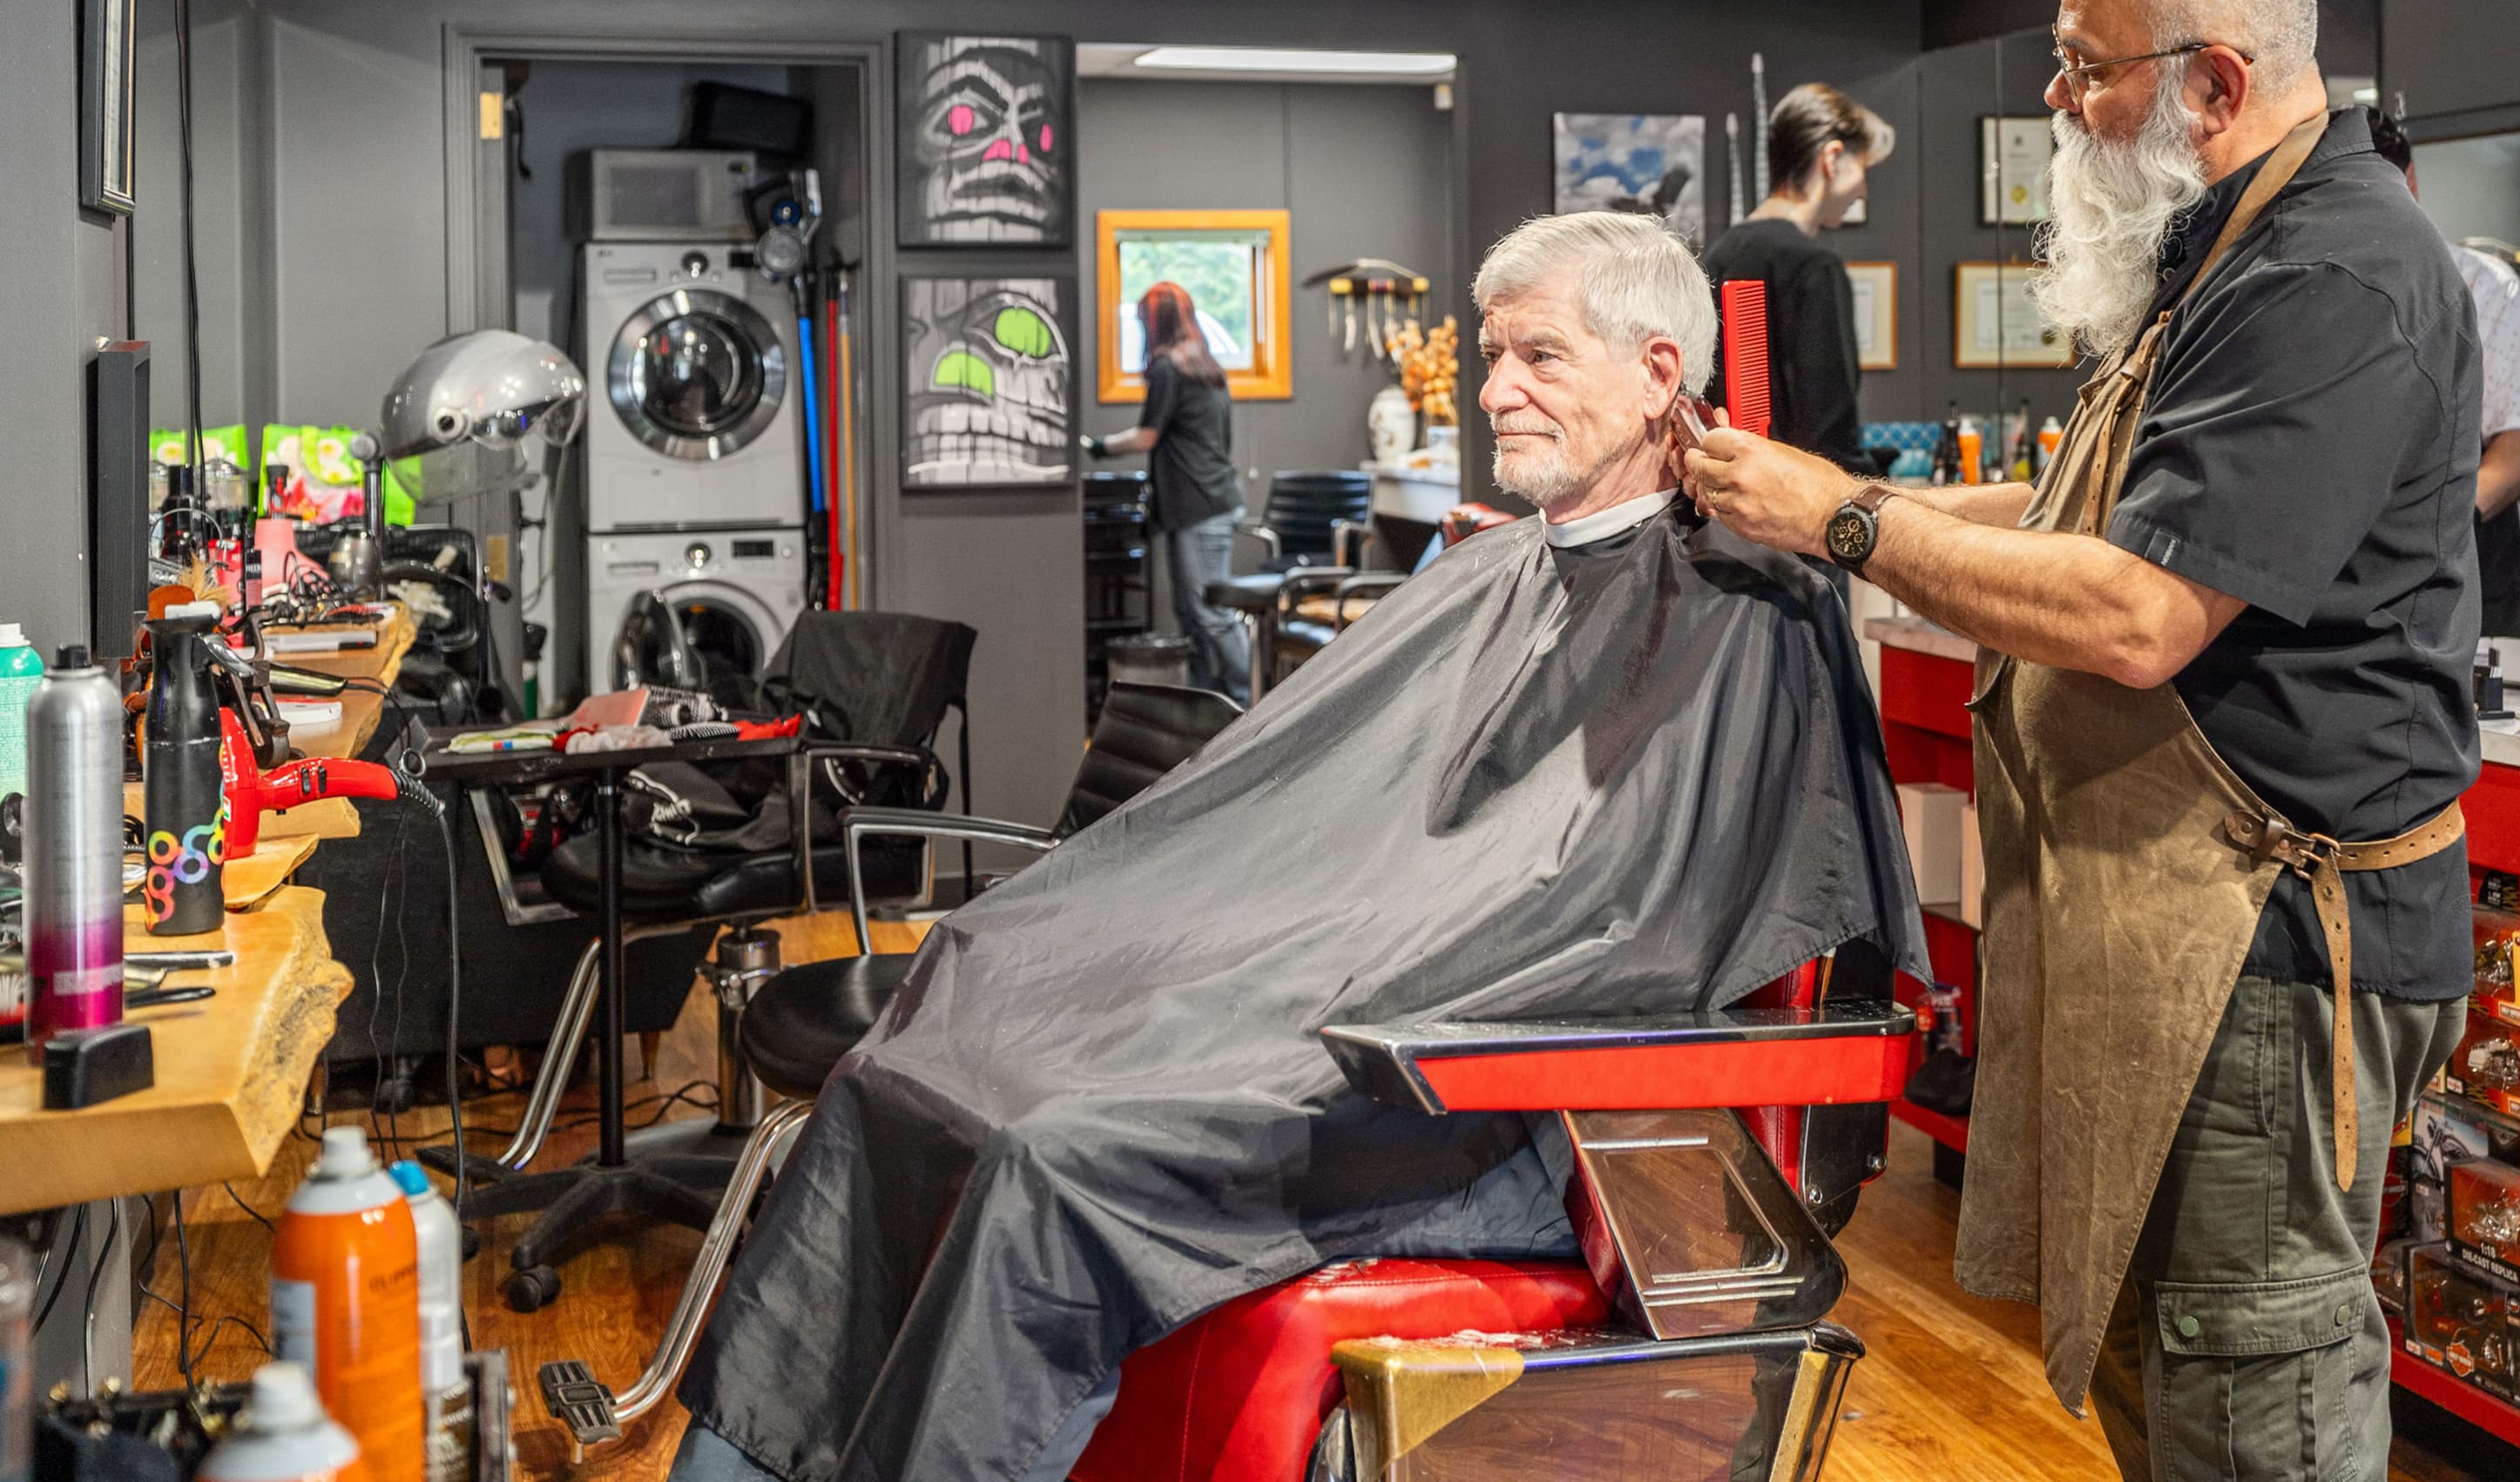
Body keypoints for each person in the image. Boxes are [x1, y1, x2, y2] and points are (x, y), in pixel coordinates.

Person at [673, 210, 1928, 1482]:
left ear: (1662, 371)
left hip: (1481, 1101)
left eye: (1540, 358)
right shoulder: (1492, 571)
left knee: (1056, 1159)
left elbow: (1637, 922)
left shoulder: (1751, 610)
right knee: (913, 1062)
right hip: (1337, 1012)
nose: (1498, 390)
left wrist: (1340, 981)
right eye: (1494, 355)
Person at [1683, 0, 2480, 1482]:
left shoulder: (2333, 276)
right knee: (2158, 1358)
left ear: (2218, 80)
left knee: (2253, 1392)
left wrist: (1843, 523)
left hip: (2270, 949)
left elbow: (2135, 613)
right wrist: (1827, 492)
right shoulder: (2218, 249)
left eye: (2083, 67)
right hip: (2181, 934)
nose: (2056, 101)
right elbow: (2072, 516)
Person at [2369, 106, 2520, 638]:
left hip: (2467, 559)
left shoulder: (2484, 287)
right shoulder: (2322, 294)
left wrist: (2420, 531)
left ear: (2409, 181)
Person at [1700, 85, 1892, 470]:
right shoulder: (1813, 267)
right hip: (1792, 506)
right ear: (1832, 158)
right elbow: (1829, 435)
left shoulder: (1717, 257)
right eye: (1863, 170)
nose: (1863, 191)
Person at [1098, 281, 1249, 700]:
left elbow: (1146, 437)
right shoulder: (1205, 365)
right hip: (1207, 501)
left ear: (1154, 323)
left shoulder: (1168, 369)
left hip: (1199, 507)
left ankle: (1252, 700)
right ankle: (1204, 698)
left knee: (1209, 612)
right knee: (1192, 612)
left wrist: (1098, 447)